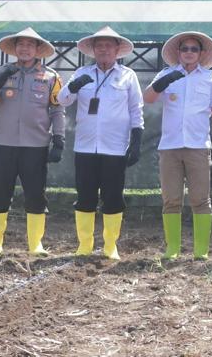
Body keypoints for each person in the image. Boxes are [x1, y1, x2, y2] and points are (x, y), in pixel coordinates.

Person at [58, 26, 144, 260]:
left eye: (108, 45)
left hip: (115, 147)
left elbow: (136, 109)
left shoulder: (127, 75)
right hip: (85, 146)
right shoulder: (81, 72)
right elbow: (62, 100)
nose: (104, 49)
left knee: (113, 197)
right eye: (99, 46)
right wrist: (73, 86)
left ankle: (110, 245)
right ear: (93, 50)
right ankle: (84, 244)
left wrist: (136, 140)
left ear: (117, 49)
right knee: (85, 196)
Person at [0, 27, 64, 256]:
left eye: (30, 44)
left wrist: (59, 139)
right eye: (21, 44)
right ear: (15, 48)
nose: (25, 48)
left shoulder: (51, 77)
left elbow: (57, 110)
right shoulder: (1, 71)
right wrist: (0, 80)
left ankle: (35, 244)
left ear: (38, 49)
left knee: (36, 194)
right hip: (3, 144)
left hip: (35, 146)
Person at [144, 31, 212, 260]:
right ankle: (172, 249)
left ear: (201, 53)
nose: (189, 52)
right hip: (169, 146)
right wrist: (162, 83)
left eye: (194, 49)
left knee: (201, 199)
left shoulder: (210, 77)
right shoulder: (165, 73)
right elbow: (147, 98)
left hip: (198, 145)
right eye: (185, 49)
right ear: (178, 52)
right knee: (171, 200)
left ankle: (201, 251)